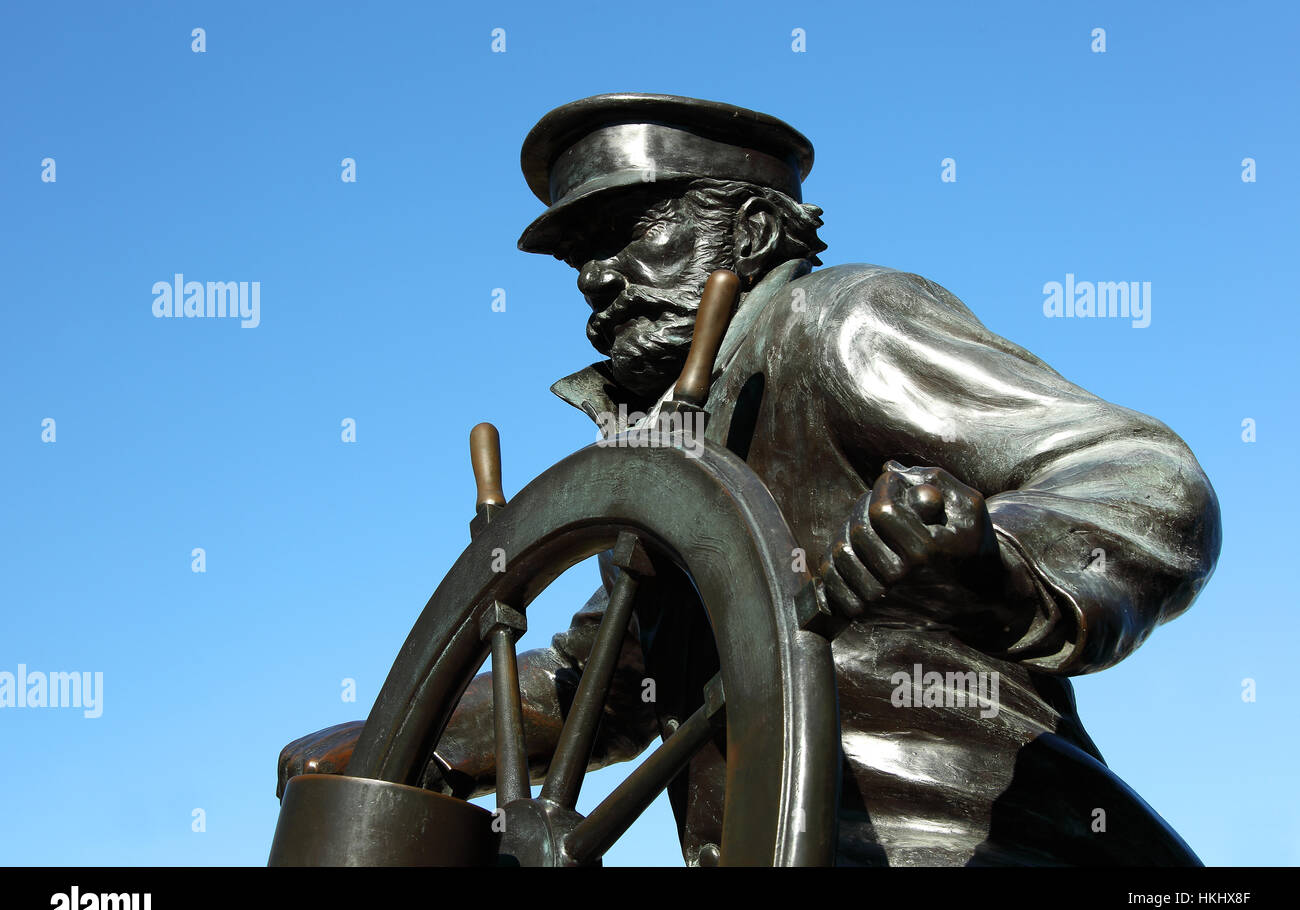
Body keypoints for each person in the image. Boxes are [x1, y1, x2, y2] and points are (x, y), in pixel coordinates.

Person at [279, 93, 1221, 866]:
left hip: (965, 848)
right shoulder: (662, 458)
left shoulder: (837, 325)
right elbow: (598, 684)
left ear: (757, 229)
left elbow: (1140, 476)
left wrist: (992, 556)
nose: (596, 281)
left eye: (632, 235)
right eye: (581, 258)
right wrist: (406, 739)